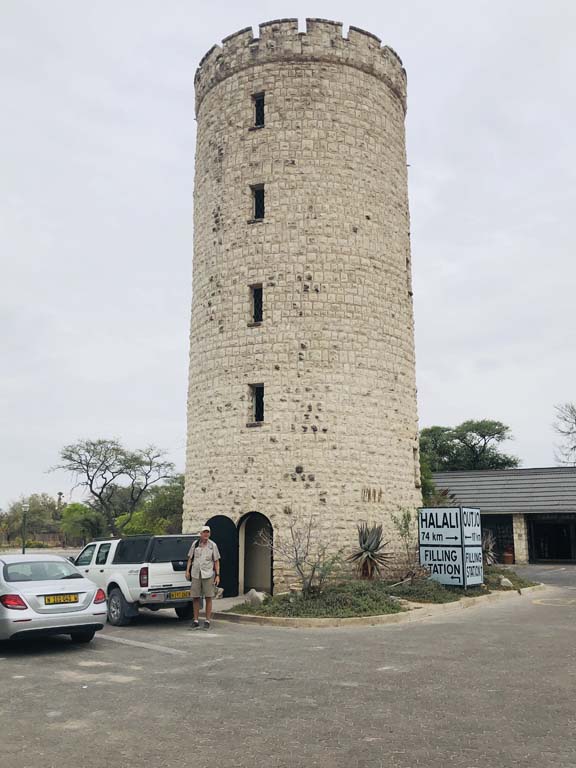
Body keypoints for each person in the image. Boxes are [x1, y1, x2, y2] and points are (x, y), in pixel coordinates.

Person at [185, 525, 221, 630]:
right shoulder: (195, 544)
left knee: (208, 597)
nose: (206, 534)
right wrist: (187, 571)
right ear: (200, 534)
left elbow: (216, 561)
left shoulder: (213, 545)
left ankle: (207, 621)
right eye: (204, 532)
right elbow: (190, 558)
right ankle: (196, 620)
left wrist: (218, 575)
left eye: (208, 532)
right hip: (196, 573)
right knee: (195, 597)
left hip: (208, 574)